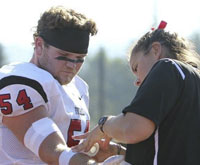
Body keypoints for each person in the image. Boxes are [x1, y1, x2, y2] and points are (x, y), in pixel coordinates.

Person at [0, 6, 124, 165]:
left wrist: (97, 154)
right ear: (39, 45)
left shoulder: (79, 87)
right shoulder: (20, 80)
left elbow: (68, 154)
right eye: (63, 56)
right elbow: (52, 151)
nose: (72, 65)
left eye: (80, 58)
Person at [72, 21, 200, 165]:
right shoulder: (191, 83)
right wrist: (122, 152)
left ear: (155, 50)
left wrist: (104, 125)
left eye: (136, 67)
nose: (137, 82)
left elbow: (132, 129)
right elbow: (173, 151)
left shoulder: (167, 67)